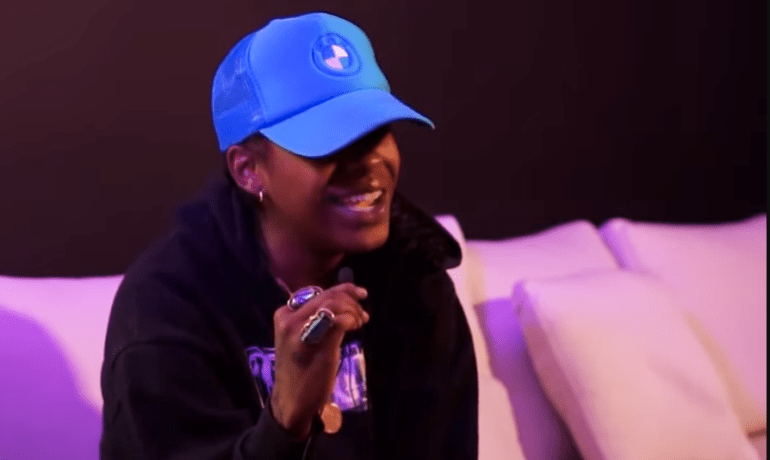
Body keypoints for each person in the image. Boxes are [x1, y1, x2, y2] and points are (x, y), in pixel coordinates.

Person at [100, 11, 478, 460]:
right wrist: (285, 424)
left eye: (378, 130)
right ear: (247, 169)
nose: (371, 161)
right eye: (332, 140)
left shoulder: (418, 285)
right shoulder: (166, 309)